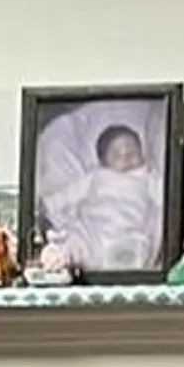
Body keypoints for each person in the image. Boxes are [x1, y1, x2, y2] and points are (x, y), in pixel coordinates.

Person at [42, 116, 166, 277]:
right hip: (95, 225)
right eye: (117, 154)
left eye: (132, 151)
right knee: (78, 237)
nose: (125, 156)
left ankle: (126, 262)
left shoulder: (146, 176)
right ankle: (62, 257)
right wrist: (49, 204)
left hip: (129, 225)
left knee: (143, 239)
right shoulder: (96, 176)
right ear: (103, 160)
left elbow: (164, 195)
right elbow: (69, 194)